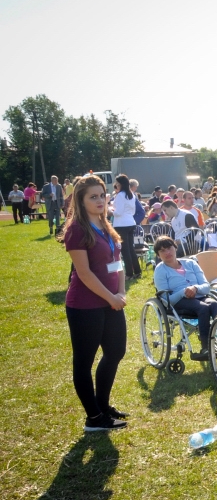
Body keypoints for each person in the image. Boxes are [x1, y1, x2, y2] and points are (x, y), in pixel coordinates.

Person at [58, 175, 128, 431]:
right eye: (93, 196)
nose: (100, 200)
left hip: (112, 302)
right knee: (84, 362)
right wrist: (111, 297)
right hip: (85, 305)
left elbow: (117, 262)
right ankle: (94, 418)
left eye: (102, 195)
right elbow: (84, 273)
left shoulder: (105, 224)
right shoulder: (77, 229)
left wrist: (120, 292)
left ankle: (103, 406)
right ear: (81, 199)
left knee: (115, 352)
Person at [152, 236, 217, 360]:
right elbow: (167, 300)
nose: (167, 252)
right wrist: (183, 292)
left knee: (215, 304)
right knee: (203, 308)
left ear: (175, 248)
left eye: (169, 248)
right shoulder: (160, 270)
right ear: (158, 255)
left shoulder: (191, 263)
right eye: (162, 251)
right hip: (178, 302)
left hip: (200, 295)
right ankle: (206, 347)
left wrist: (194, 288)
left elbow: (206, 287)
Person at [110, 174, 141, 279]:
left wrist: (110, 210)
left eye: (117, 183)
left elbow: (118, 212)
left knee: (124, 250)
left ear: (120, 184)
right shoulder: (132, 194)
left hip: (121, 224)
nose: (116, 185)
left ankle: (129, 273)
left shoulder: (120, 195)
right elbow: (133, 211)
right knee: (131, 249)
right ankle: (137, 271)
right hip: (131, 222)